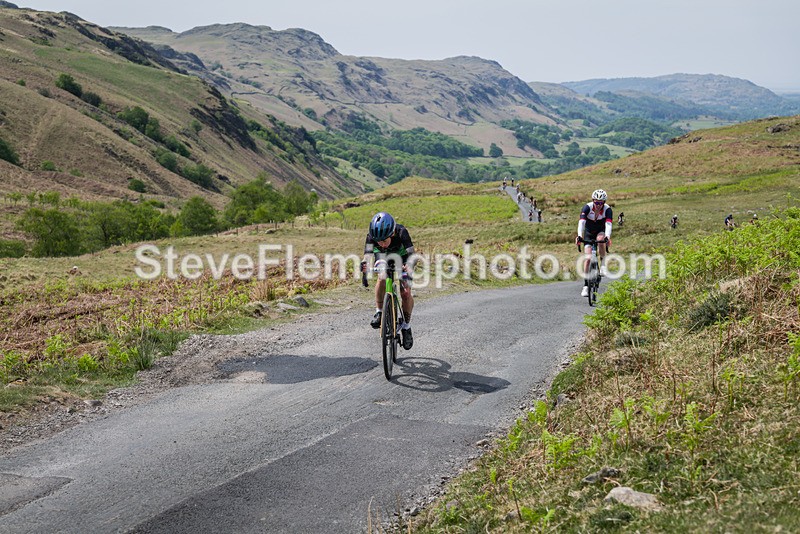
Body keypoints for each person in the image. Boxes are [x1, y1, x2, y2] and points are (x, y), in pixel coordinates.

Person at [362, 212, 415, 350]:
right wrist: (365, 267)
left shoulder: (401, 232)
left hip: (402, 258)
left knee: (406, 292)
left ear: (392, 233)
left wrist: (408, 266)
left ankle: (406, 327)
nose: (382, 243)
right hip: (382, 257)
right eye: (378, 241)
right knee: (382, 276)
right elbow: (367, 256)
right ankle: (379, 312)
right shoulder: (371, 237)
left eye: (384, 240)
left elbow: (411, 254)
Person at [576, 189, 612, 297]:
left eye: (601, 203)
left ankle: (603, 264)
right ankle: (586, 286)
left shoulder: (608, 209)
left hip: (600, 230)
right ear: (593, 201)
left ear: (604, 203)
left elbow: (609, 224)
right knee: (587, 259)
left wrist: (607, 236)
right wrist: (579, 236)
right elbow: (581, 222)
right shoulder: (587, 207)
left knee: (601, 240)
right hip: (588, 232)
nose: (599, 205)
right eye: (597, 202)